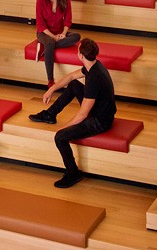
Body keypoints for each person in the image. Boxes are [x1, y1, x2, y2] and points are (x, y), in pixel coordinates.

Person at [29, 37, 116, 189]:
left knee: (60, 137)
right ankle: (50, 114)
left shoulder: (95, 78)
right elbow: (70, 77)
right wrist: (51, 89)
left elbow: (82, 115)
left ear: (81, 55)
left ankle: (73, 173)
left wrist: (64, 128)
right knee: (74, 84)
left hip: (100, 121)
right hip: (99, 110)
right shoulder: (92, 66)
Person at [33, 0, 80, 86]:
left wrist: (63, 34)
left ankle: (45, 49)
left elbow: (68, 20)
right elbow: (40, 24)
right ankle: (50, 80)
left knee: (77, 36)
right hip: (44, 33)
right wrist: (54, 37)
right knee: (50, 43)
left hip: (59, 32)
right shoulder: (40, 0)